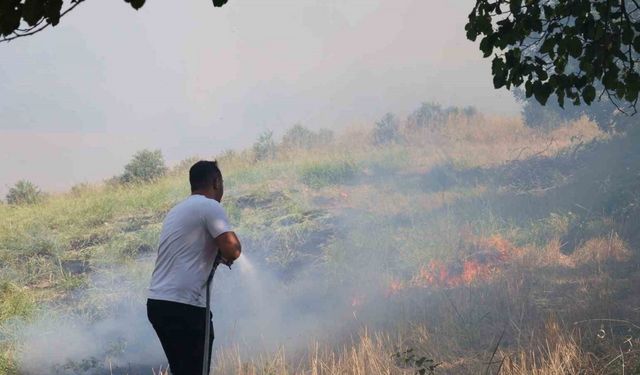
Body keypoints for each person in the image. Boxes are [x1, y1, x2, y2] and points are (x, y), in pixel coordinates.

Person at [147, 160, 241, 375]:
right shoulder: (210, 206)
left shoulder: (177, 210)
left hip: (158, 304)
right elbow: (233, 250)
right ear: (216, 182)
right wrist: (225, 252)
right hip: (185, 307)